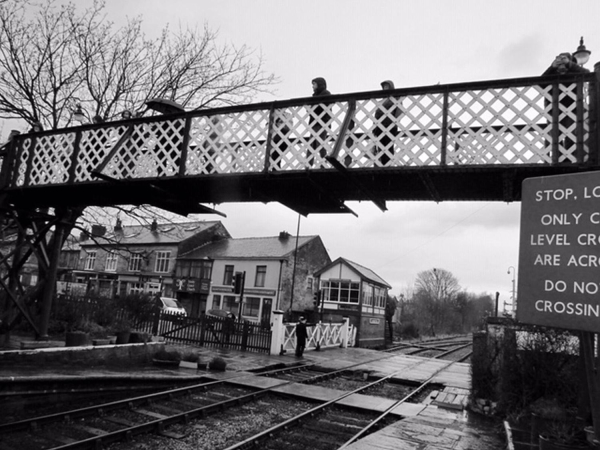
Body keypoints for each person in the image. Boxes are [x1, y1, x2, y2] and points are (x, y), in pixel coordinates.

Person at [541, 52, 589, 154]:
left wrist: (570, 65)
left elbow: (587, 74)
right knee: (553, 136)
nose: (562, 64)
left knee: (571, 134)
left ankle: (569, 157)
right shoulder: (552, 74)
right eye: (559, 61)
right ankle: (556, 158)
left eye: (564, 60)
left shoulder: (574, 73)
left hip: (572, 109)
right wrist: (552, 68)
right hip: (554, 110)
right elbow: (540, 83)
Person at [373, 80, 402, 166]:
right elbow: (377, 114)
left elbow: (399, 112)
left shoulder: (396, 97)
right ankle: (381, 164)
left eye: (387, 86)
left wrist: (394, 121)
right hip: (380, 126)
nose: (385, 88)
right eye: (384, 87)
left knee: (388, 146)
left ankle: (388, 164)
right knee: (381, 146)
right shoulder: (382, 100)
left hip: (390, 125)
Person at [307, 77, 331, 166]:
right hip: (315, 122)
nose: (312, 86)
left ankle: (322, 163)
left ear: (319, 84)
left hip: (322, 122)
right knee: (314, 143)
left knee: (319, 143)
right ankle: (311, 163)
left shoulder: (325, 94)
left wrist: (312, 109)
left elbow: (321, 108)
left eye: (314, 84)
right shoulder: (315, 95)